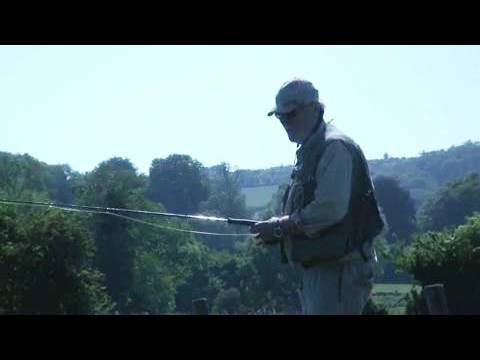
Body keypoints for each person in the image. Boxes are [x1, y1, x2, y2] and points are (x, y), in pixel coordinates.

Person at [250, 79, 385, 315]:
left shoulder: (334, 147)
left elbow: (330, 209)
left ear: (314, 108)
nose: (284, 123)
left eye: (290, 115)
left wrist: (281, 227)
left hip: (338, 271)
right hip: (324, 270)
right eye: (279, 117)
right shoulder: (314, 147)